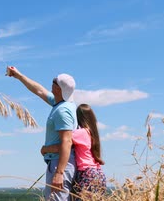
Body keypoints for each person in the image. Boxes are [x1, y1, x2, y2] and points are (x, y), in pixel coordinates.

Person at [6, 66, 77, 201]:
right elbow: (39, 90)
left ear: (58, 89)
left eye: (55, 81)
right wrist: (19, 75)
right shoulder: (62, 103)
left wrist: (59, 173)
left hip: (60, 164)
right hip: (59, 162)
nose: (52, 81)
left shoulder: (63, 111)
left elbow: (67, 141)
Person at [42, 104, 107, 200]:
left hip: (87, 173)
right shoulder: (92, 133)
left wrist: (45, 149)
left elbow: (65, 143)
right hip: (98, 174)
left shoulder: (81, 133)